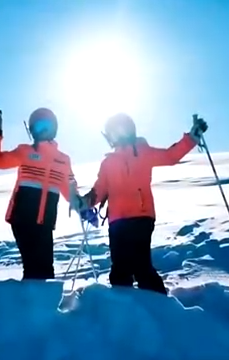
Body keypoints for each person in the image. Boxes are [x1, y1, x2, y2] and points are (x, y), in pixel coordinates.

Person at [78, 113, 208, 295]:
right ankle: (124, 307)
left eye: (121, 130)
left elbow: (171, 156)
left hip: (141, 217)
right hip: (117, 222)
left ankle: (160, 306)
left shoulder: (143, 152)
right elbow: (99, 190)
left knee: (140, 266)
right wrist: (85, 202)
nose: (118, 135)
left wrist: (191, 138)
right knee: (120, 268)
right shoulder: (108, 163)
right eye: (114, 133)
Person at [0, 107, 82, 280]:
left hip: (45, 222)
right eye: (38, 127)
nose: (43, 130)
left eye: (46, 125)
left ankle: (41, 304)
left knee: (45, 269)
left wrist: (83, 206)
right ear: (32, 131)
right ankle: (31, 303)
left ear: (54, 128)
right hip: (23, 220)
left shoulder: (63, 160)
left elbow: (70, 191)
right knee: (33, 268)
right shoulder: (26, 152)